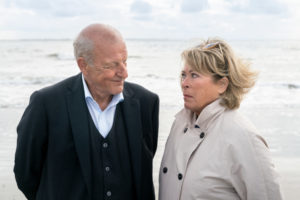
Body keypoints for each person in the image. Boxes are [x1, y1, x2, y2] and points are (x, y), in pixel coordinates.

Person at [14, 23, 159, 200]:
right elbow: (26, 173)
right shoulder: (46, 104)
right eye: (111, 65)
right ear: (83, 65)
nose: (124, 73)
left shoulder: (146, 103)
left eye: (124, 61)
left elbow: (144, 166)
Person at [159, 38, 284, 200]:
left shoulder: (243, 136)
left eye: (194, 75)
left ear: (222, 84)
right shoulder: (179, 124)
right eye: (183, 75)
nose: (184, 83)